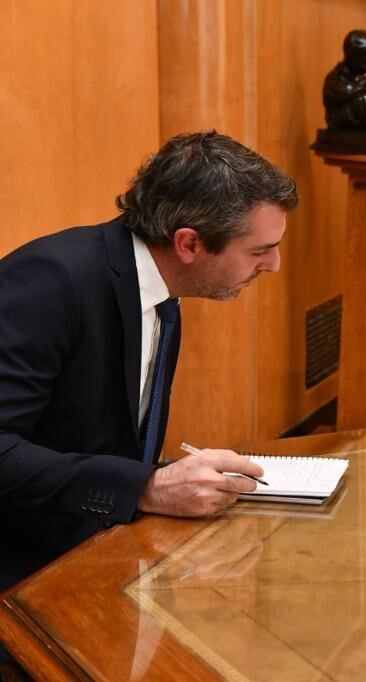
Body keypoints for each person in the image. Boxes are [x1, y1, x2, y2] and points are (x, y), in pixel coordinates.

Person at [0, 131, 298, 595]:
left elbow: (103, 441)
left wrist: (164, 476)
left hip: (106, 553)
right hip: (27, 572)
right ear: (189, 244)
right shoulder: (51, 281)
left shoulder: (161, 293)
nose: (274, 265)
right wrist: (146, 486)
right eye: (259, 250)